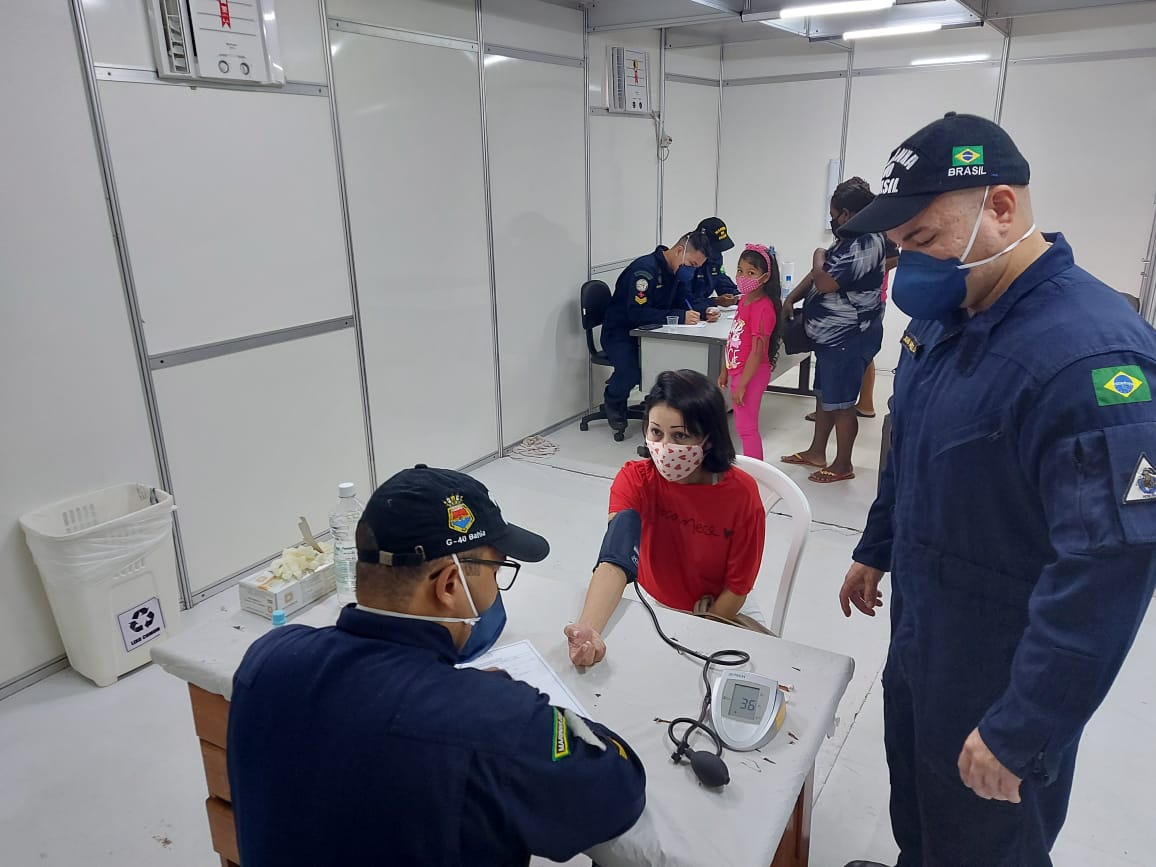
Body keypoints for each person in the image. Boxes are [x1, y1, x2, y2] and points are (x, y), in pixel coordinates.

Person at [835, 112, 1156, 867]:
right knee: (919, 804)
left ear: (1001, 208)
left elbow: (1108, 569)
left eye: (924, 239)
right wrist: (875, 547)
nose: (907, 265)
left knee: (987, 843)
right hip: (923, 631)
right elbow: (908, 446)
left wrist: (1025, 724)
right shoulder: (945, 320)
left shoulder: (1090, 359)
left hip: (1001, 665)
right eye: (899, 247)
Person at [228, 465, 647, 866]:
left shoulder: (268, 661)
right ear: (449, 585)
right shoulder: (495, 722)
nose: (494, 590)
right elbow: (616, 791)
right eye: (494, 571)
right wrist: (511, 709)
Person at [565, 369, 767, 667]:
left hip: (724, 608)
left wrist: (703, 625)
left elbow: (737, 588)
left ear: (708, 439)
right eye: (656, 432)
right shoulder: (635, 480)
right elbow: (615, 560)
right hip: (661, 607)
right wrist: (589, 630)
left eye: (680, 435)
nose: (665, 446)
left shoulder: (740, 493)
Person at [781, 177, 887, 483]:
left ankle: (843, 464)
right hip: (831, 337)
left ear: (848, 213)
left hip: (850, 336)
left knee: (841, 404)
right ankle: (817, 451)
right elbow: (821, 274)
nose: (831, 218)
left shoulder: (867, 241)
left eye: (834, 212)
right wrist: (792, 297)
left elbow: (825, 279)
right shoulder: (849, 236)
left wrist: (817, 253)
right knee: (826, 394)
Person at [601, 231, 718, 436]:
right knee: (631, 372)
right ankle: (613, 400)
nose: (692, 270)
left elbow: (684, 299)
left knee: (672, 361)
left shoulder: (676, 271)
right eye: (692, 264)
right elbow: (637, 313)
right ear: (680, 251)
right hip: (621, 331)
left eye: (696, 267)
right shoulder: (644, 271)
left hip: (651, 331)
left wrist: (703, 310)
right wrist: (678, 316)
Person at [718, 243, 785, 460]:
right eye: (739, 270)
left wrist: (743, 385)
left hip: (752, 373)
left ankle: (756, 475)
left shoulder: (764, 308)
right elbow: (734, 338)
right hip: (738, 370)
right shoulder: (744, 300)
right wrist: (725, 370)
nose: (742, 276)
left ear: (765, 277)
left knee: (747, 429)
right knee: (741, 426)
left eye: (751, 272)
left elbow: (757, 353)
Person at [684, 217, 741, 310]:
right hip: (687, 315)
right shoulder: (686, 261)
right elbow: (685, 300)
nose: (715, 252)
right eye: (713, 247)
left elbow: (721, 280)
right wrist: (714, 301)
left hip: (704, 316)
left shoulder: (715, 256)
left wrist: (738, 297)